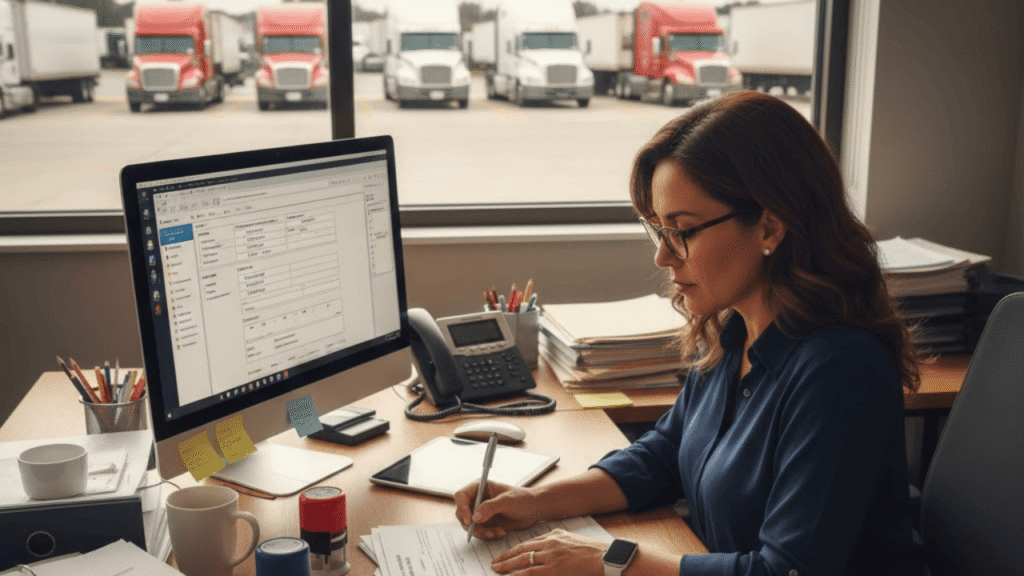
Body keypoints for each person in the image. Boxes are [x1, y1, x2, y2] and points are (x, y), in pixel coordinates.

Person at [454, 91, 926, 576]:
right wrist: (536, 501)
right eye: (659, 229)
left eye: (683, 230)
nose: (663, 256)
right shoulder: (735, 330)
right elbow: (665, 455)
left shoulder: (840, 369)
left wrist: (612, 562)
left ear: (769, 227)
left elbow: (783, 571)